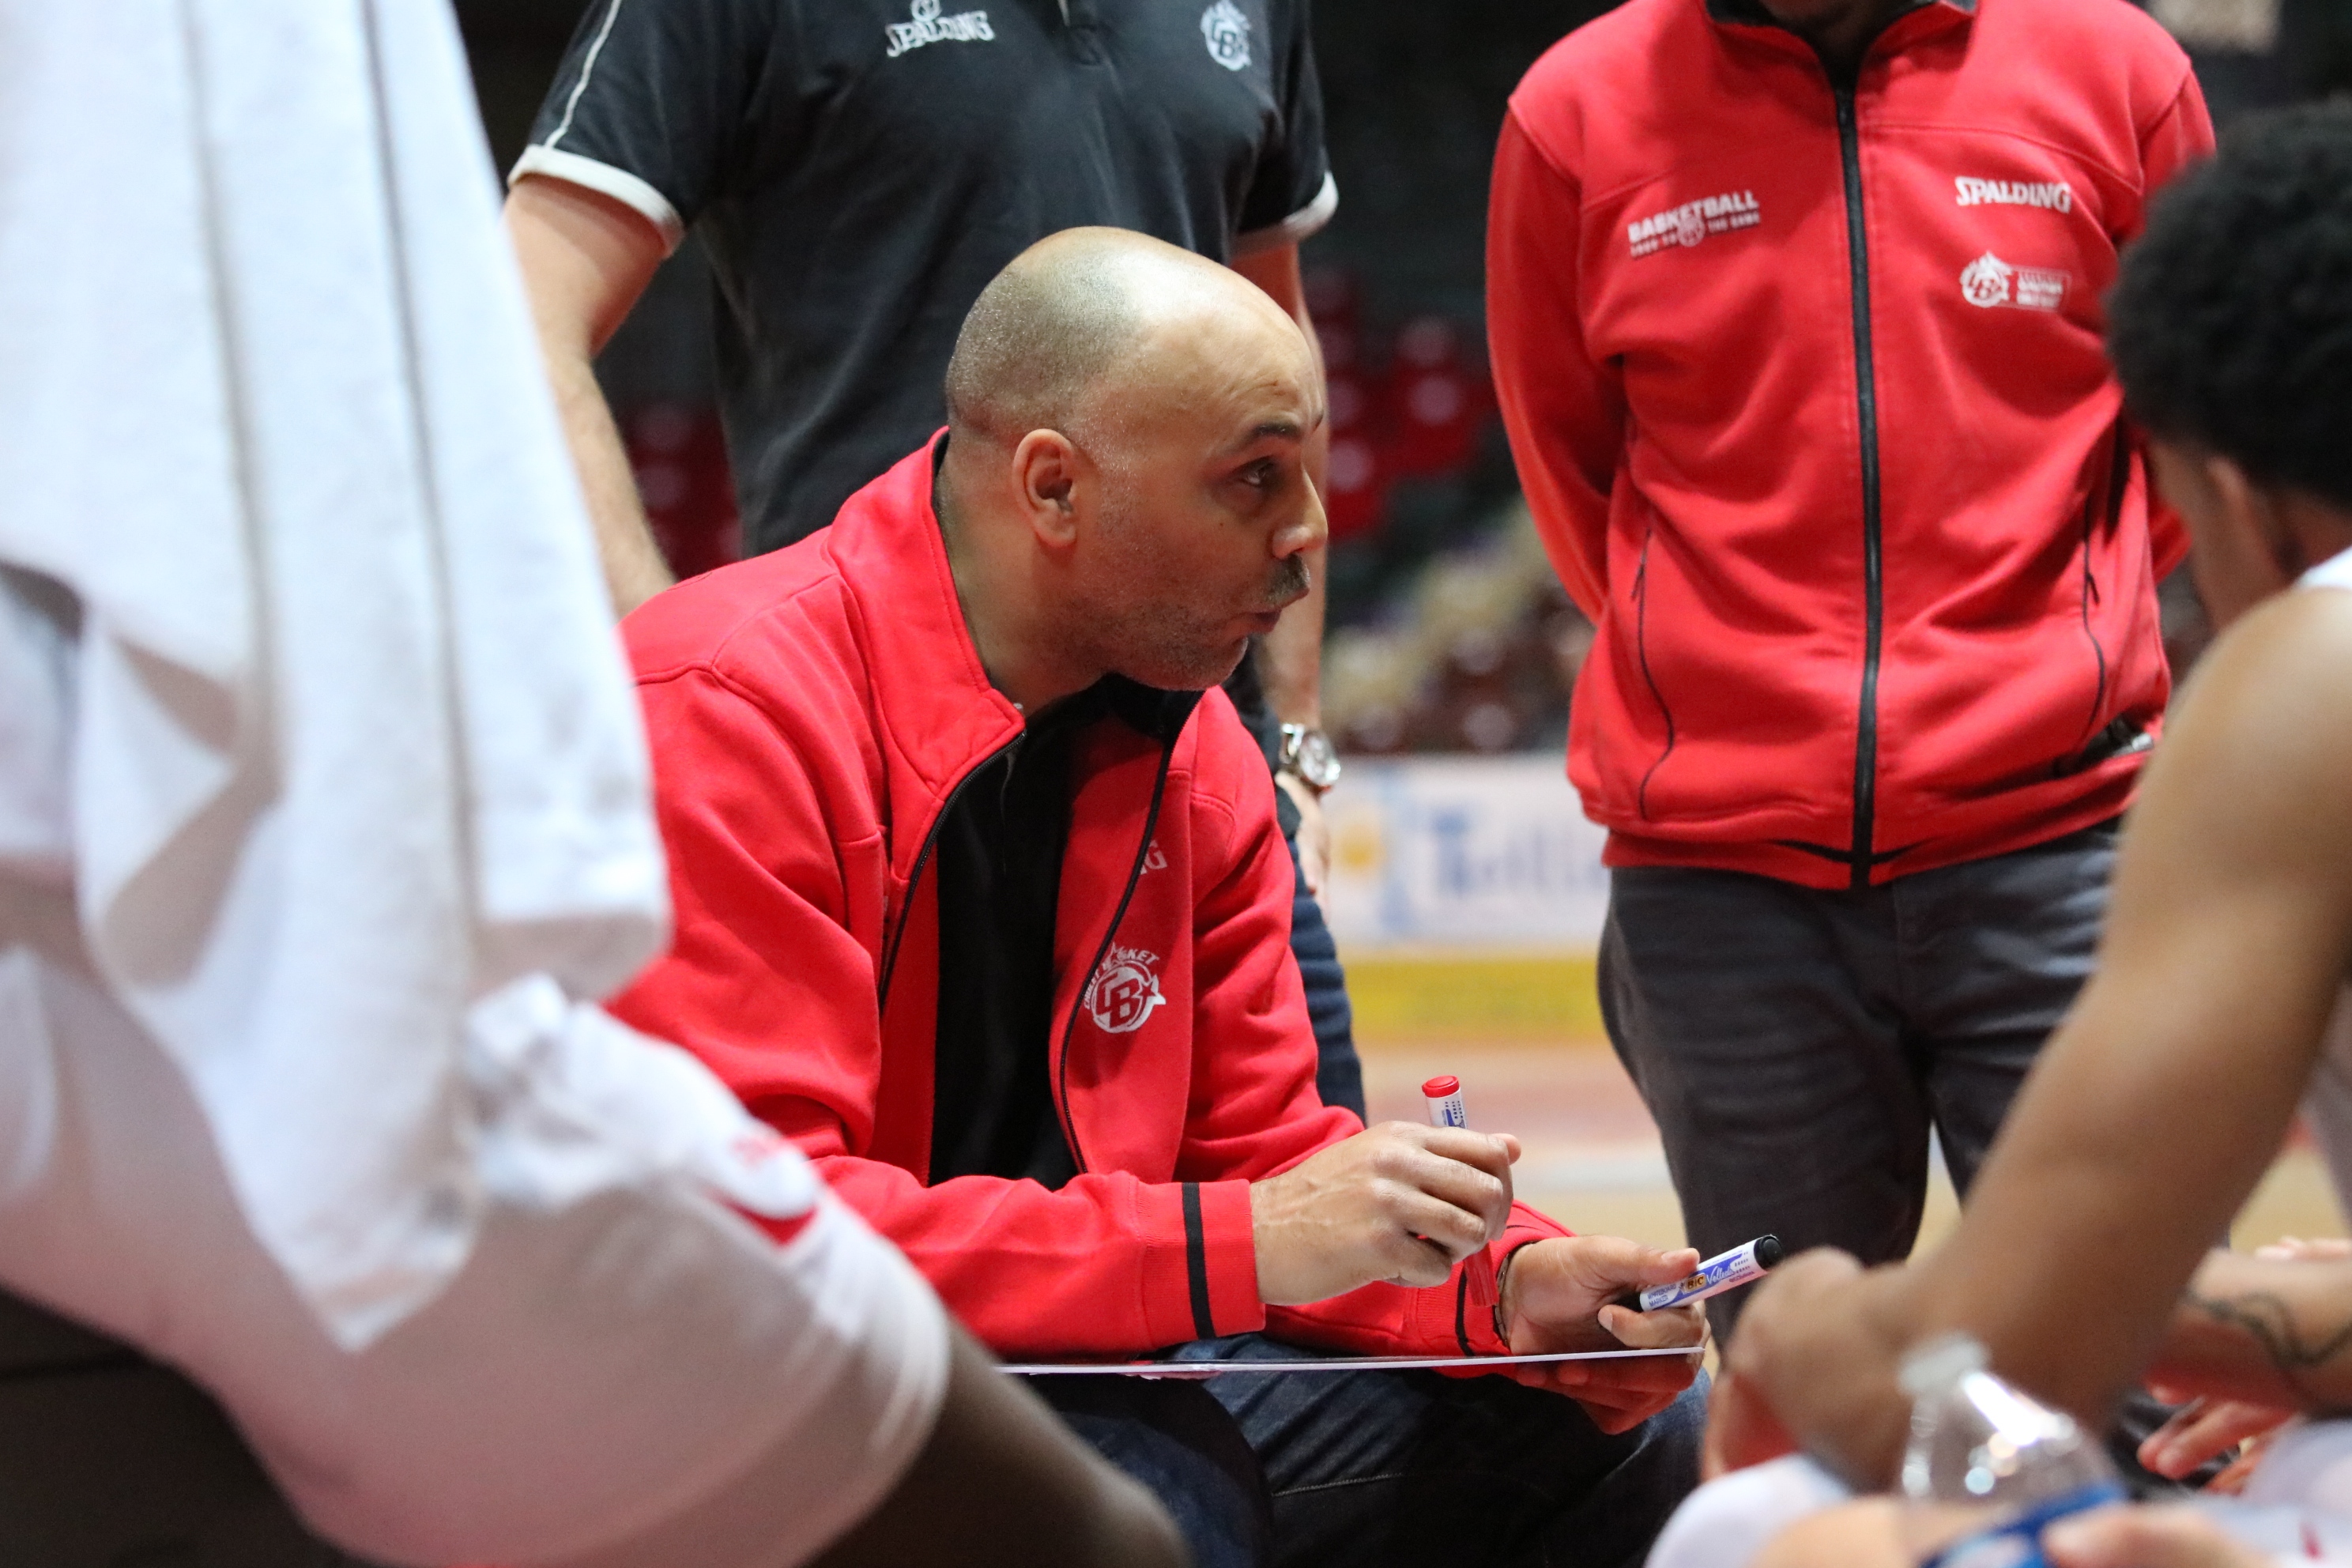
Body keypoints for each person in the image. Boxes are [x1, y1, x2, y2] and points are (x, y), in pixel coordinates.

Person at [0, 6, 1185, 1566]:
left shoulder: (1188, 743)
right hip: (230, 980)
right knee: (1086, 1534)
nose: (1298, 527)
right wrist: (662, 669)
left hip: (171, 979)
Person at [609, 226, 1710, 1568]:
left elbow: (1261, 1162)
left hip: (1086, 1360)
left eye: (1304, 470)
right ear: (1054, 488)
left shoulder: (1197, 746)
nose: (1309, 535)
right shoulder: (722, 710)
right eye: (1254, 479)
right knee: (1160, 1512)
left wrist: (1506, 1290)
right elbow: (760, 1239)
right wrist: (1241, 1240)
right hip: (766, 1395)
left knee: (1641, 1433)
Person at [1643, 103, 2352, 1568]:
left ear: (2233, 494)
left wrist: (1806, 1322)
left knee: (1762, 1528)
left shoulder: (2309, 673)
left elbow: (1990, 1366)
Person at [1486, 0, 2215, 1339]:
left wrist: (2059, 641)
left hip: (2066, 851)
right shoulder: (1573, 113)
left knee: (2133, 1378)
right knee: (1793, 1391)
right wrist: (1739, 686)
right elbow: (1572, 468)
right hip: (1725, 901)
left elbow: (2189, 443)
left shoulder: (2119, 74)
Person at [505, 0, 1363, 1121]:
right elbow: (518, 316)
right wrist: (683, 688)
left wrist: (1287, 727)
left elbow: (1275, 356)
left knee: (1333, 1240)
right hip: (867, 776)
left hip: (1187, 761)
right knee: (866, 1257)